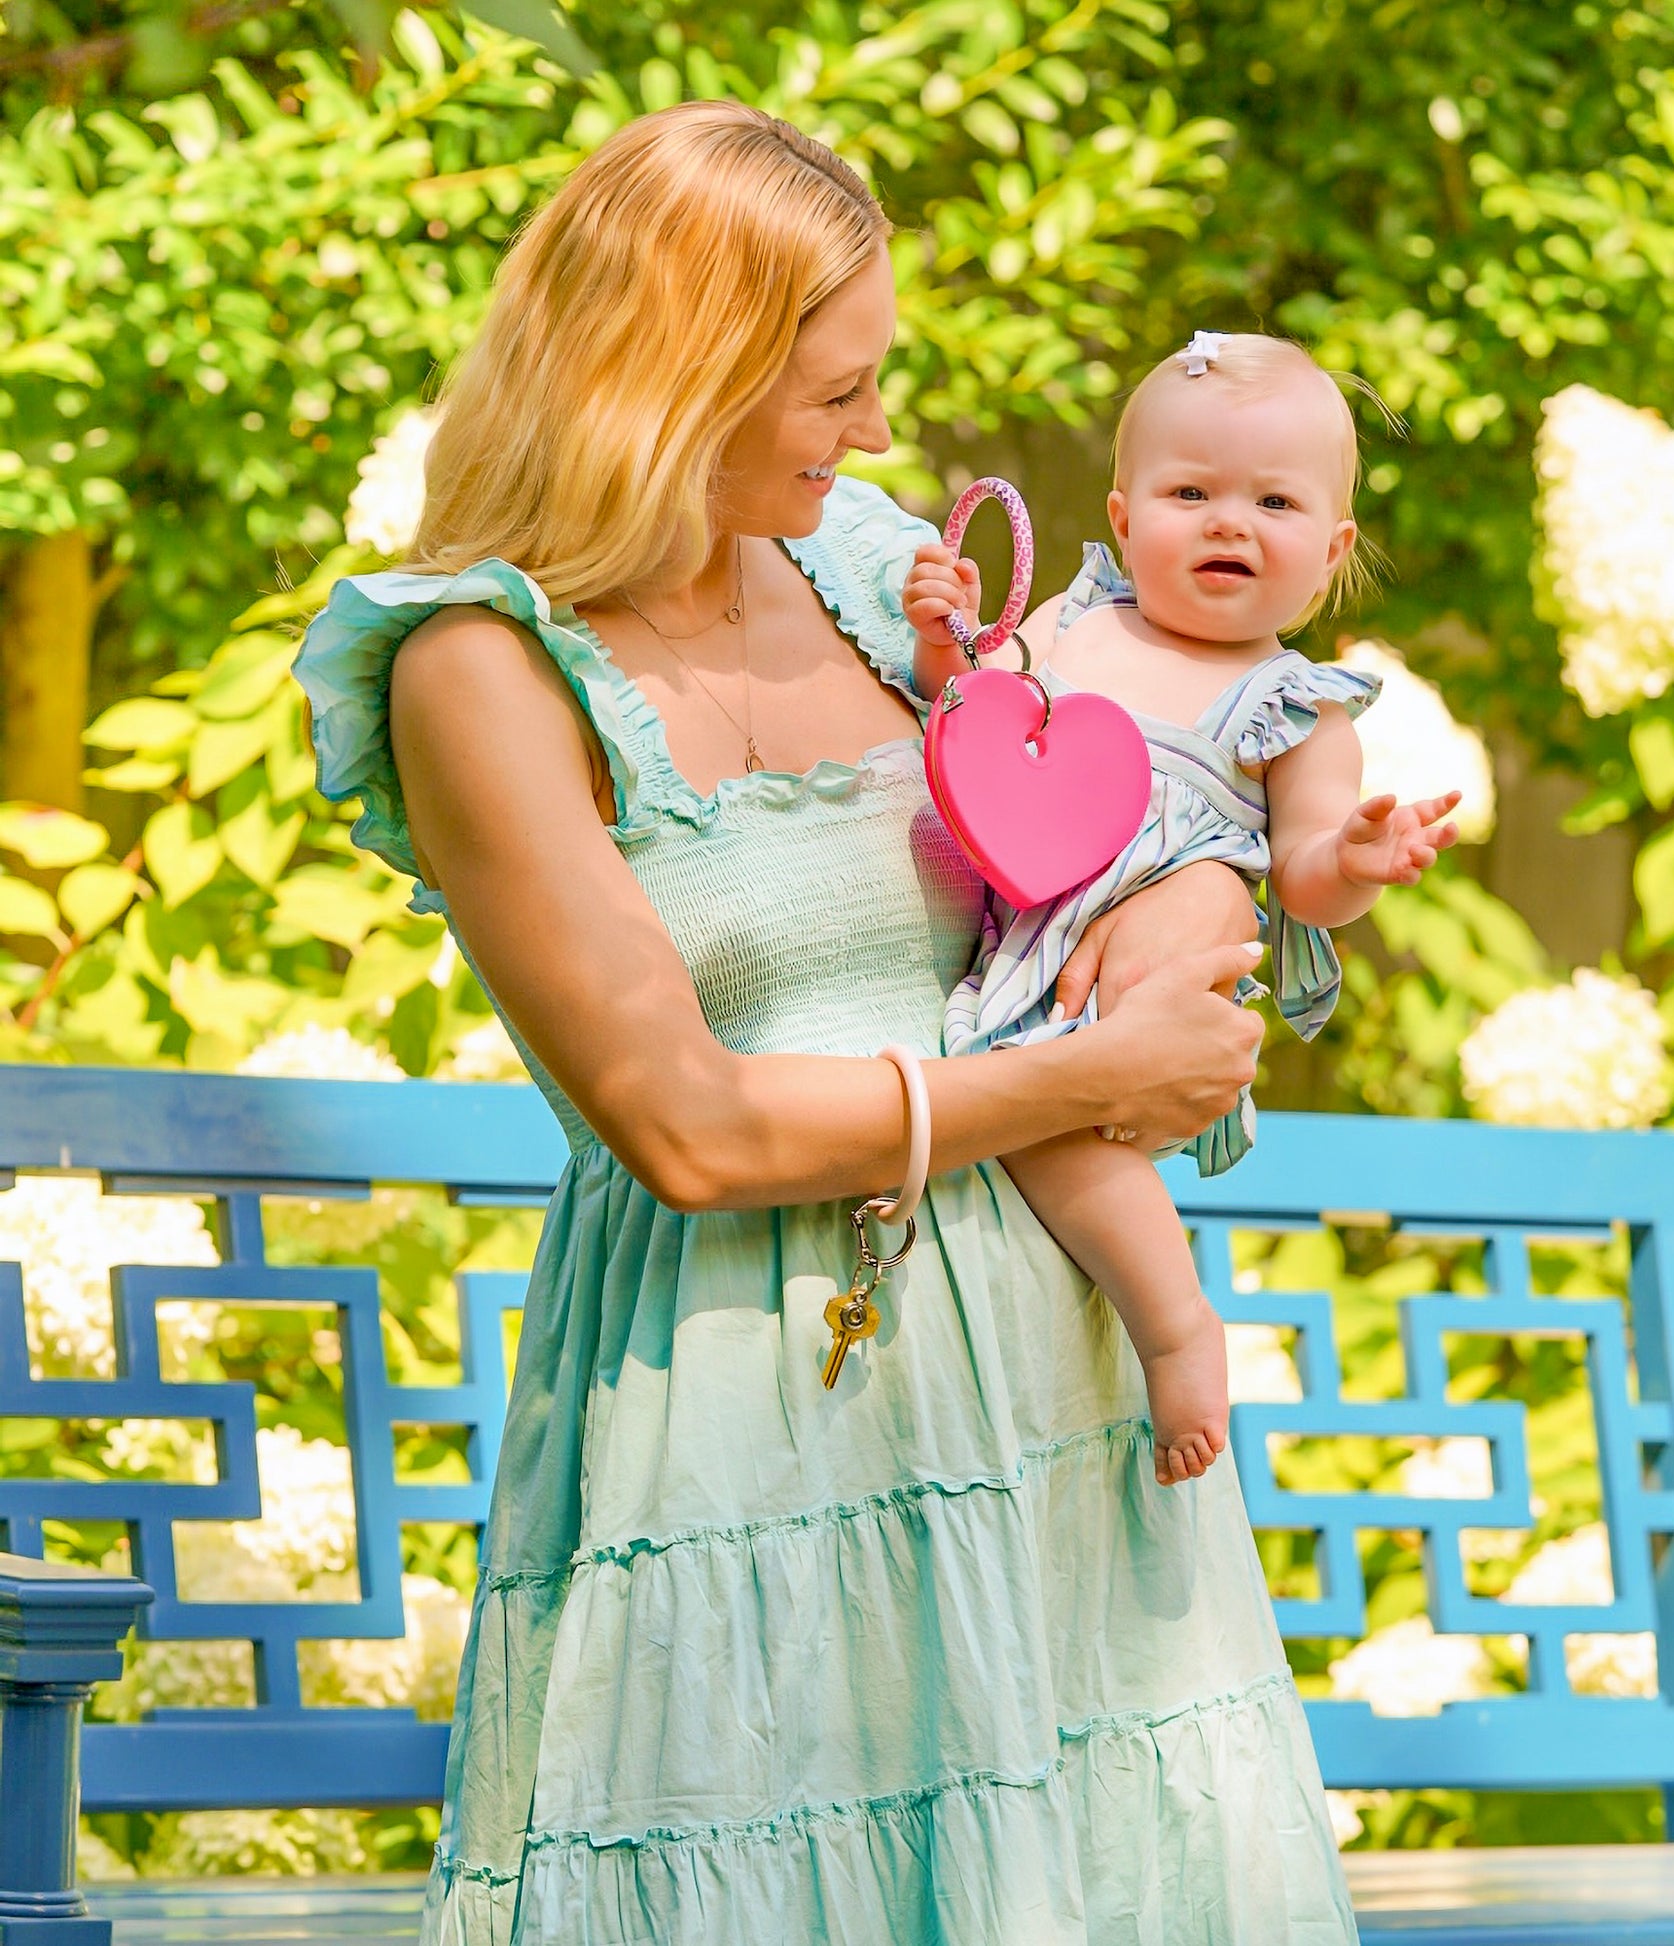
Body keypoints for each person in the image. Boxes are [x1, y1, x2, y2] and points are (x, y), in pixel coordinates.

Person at [295, 102, 1359, 1943]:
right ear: (668, 379)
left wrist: (1199, 902)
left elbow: (1139, 799)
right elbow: (684, 1125)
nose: (873, 432)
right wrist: (1085, 1075)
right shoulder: (480, 668)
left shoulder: (872, 570)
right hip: (749, 1408)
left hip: (1053, 1404)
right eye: (829, 392)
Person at [903, 331, 1461, 1488]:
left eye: (1272, 499)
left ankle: (1172, 1325)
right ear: (1119, 517)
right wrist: (938, 637)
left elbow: (1299, 871)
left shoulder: (1294, 707)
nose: (1227, 521)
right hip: (1028, 937)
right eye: (1188, 491)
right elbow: (966, 715)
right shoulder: (1072, 624)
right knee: (1019, 1109)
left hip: (1149, 972)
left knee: (1055, 1118)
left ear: (1331, 547)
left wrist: (1357, 851)